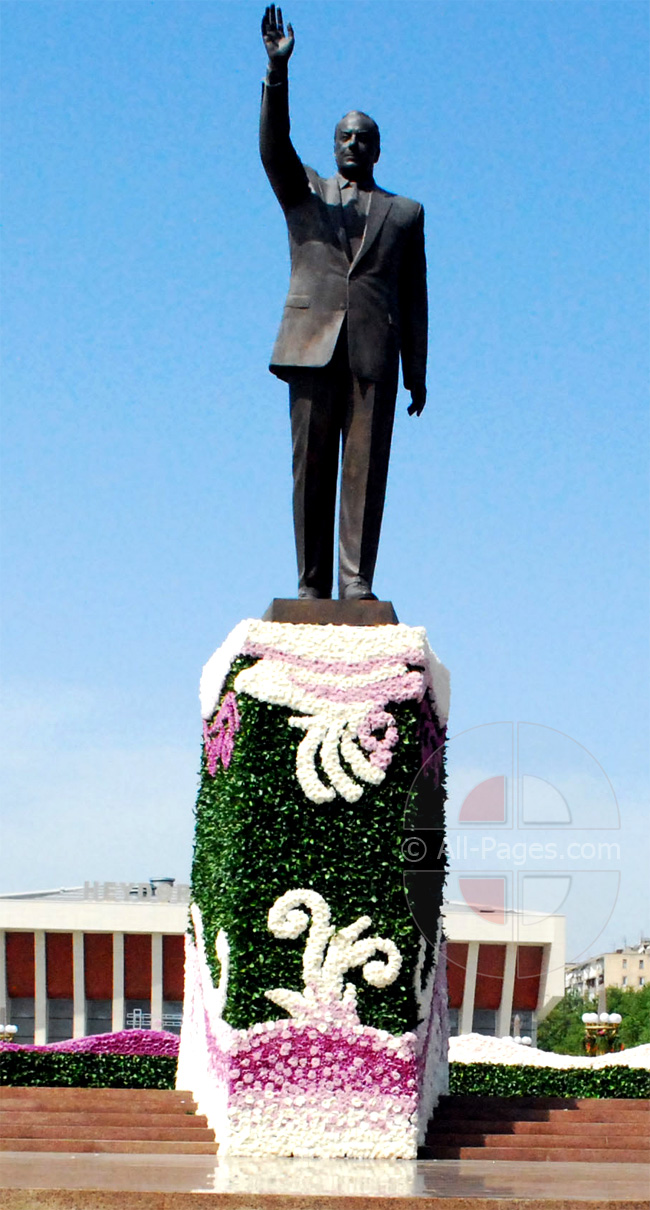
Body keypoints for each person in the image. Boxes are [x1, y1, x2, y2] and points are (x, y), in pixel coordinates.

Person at [260, 6, 428, 601]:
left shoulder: (405, 213)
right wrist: (277, 74)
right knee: (310, 468)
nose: (354, 143)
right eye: (345, 136)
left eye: (364, 138)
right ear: (333, 146)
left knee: (365, 472)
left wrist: (417, 371)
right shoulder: (305, 193)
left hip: (373, 355)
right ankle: (311, 585)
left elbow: (414, 296)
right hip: (311, 347)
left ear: (378, 150)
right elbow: (274, 148)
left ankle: (356, 582)